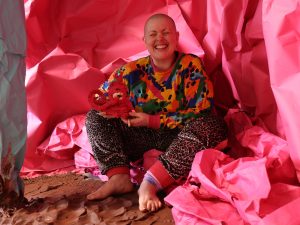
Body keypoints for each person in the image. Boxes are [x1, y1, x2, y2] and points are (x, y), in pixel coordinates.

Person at [85, 13, 227, 212]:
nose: (159, 39)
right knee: (94, 117)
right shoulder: (131, 71)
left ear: (177, 37)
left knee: (212, 125)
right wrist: (111, 110)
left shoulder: (191, 66)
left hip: (180, 138)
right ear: (145, 41)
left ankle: (151, 182)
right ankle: (118, 176)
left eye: (166, 33)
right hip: (141, 137)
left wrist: (153, 120)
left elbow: (201, 111)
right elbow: (99, 98)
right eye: (153, 34)